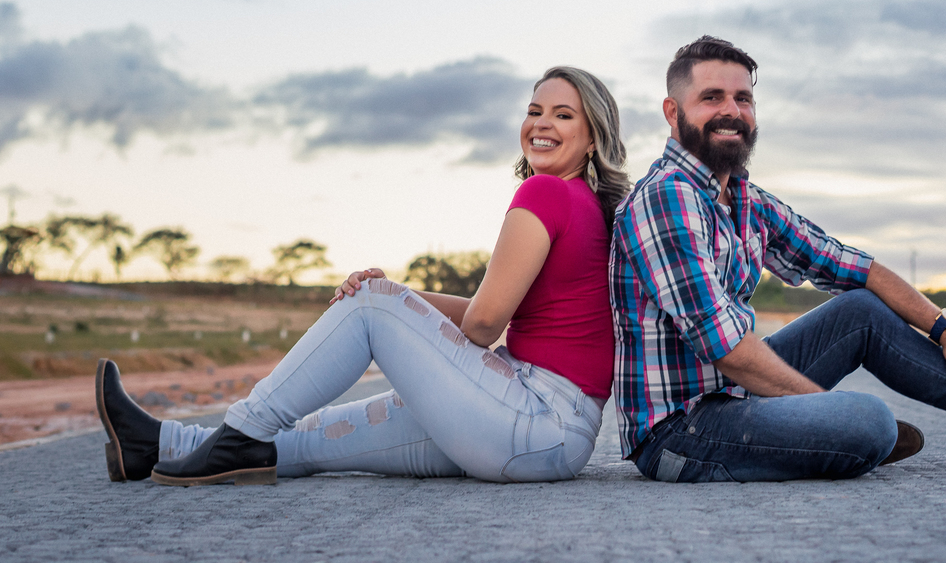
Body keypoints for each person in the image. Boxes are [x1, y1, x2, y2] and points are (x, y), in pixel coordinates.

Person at [611, 36, 946, 483]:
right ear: (673, 112)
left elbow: (857, 268)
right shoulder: (667, 197)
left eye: (743, 98)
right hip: (680, 431)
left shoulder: (745, 199)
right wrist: (821, 410)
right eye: (712, 97)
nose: (732, 110)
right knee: (871, 423)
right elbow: (727, 350)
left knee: (860, 309)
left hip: (732, 394)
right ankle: (846, 435)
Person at [96, 66, 631, 485]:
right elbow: (487, 312)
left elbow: (485, 325)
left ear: (592, 139)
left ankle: (240, 429)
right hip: (548, 435)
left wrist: (383, 305)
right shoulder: (587, 206)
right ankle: (156, 445)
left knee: (370, 304)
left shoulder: (546, 193)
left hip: (531, 416)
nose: (541, 123)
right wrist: (401, 296)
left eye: (563, 116)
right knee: (310, 438)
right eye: (534, 110)